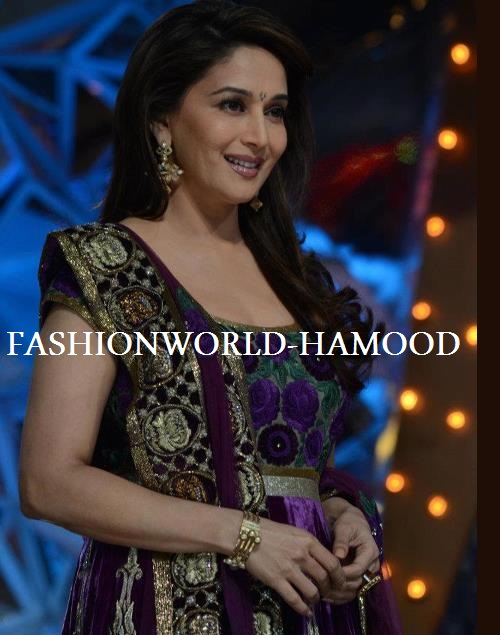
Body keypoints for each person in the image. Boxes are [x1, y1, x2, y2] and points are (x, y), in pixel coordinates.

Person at [19, 1, 403, 633]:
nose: (261, 137)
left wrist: (341, 512)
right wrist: (245, 536)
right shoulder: (105, 265)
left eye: (274, 111)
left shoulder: (298, 279)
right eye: (232, 105)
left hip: (307, 605)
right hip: (165, 608)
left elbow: (294, 465)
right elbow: (48, 481)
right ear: (162, 121)